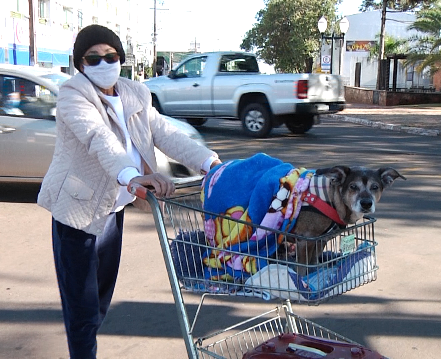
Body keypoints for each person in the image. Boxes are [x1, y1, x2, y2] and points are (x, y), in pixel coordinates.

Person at [37, 24, 221, 359]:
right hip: (77, 214)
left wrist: (210, 163)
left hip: (113, 210)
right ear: (80, 63)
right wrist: (133, 176)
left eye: (111, 55)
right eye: (93, 57)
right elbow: (97, 138)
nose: (103, 62)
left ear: (121, 58)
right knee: (82, 307)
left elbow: (165, 133)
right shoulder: (73, 93)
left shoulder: (135, 93)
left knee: (100, 302)